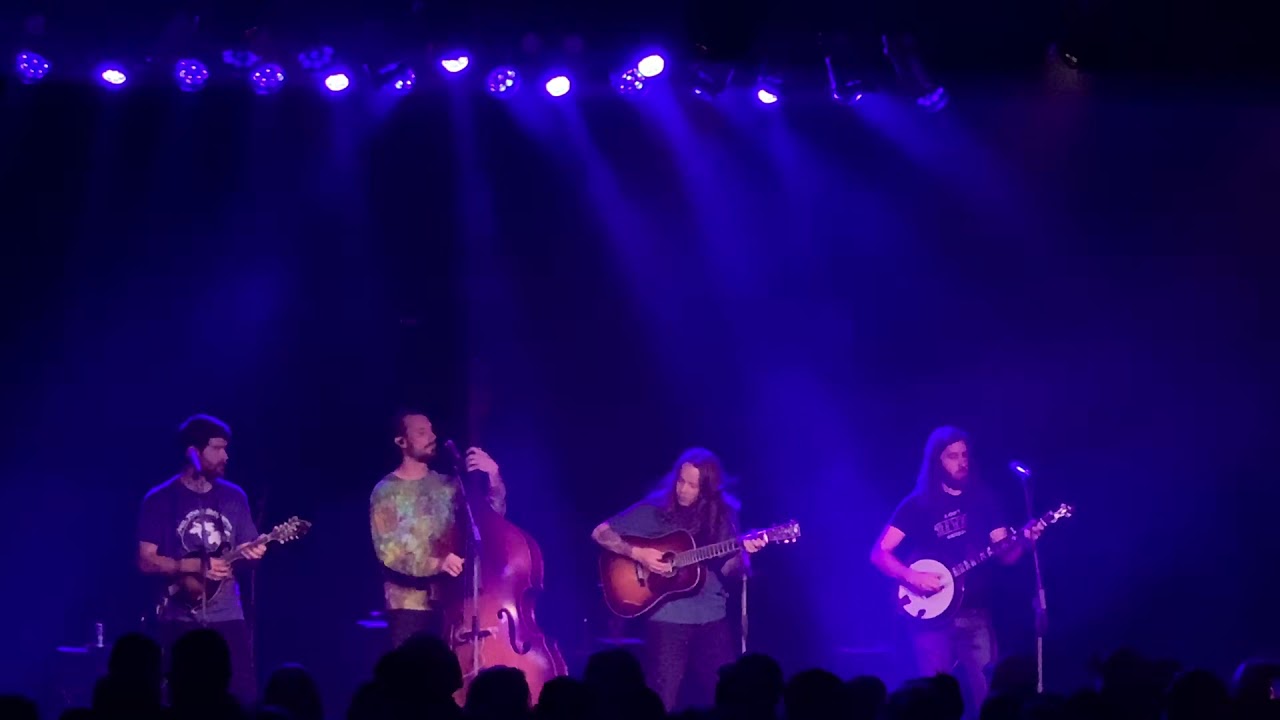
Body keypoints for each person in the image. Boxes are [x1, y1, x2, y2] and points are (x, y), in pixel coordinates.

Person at [870, 426, 1042, 715]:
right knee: (932, 704)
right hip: (932, 621)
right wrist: (912, 576)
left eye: (965, 455)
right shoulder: (917, 505)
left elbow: (1005, 554)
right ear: (937, 462)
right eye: (953, 456)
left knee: (989, 698)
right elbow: (879, 553)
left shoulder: (984, 498)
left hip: (975, 613)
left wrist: (1024, 542)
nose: (962, 462)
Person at [591, 448, 766, 710]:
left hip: (711, 615)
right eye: (680, 481)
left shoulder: (723, 515)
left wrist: (745, 554)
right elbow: (600, 532)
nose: (682, 489)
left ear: (707, 489)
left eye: (692, 485)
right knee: (662, 699)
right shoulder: (654, 509)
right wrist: (638, 554)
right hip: (667, 619)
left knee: (728, 694)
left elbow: (730, 569)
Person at [137, 414, 266, 705]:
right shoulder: (160, 499)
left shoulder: (235, 497)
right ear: (193, 452)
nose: (226, 456)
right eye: (218, 449)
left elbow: (246, 551)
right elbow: (145, 561)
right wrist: (192, 566)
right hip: (177, 617)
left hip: (228, 615)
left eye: (226, 448)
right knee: (181, 695)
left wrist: (252, 554)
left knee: (241, 693)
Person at [370, 410, 507, 648]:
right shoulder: (385, 491)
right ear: (401, 442)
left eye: (431, 430)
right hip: (409, 607)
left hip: (453, 603)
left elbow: (491, 520)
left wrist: (494, 476)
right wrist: (438, 562)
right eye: (422, 432)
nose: (432, 437)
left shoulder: (448, 486)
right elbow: (389, 554)